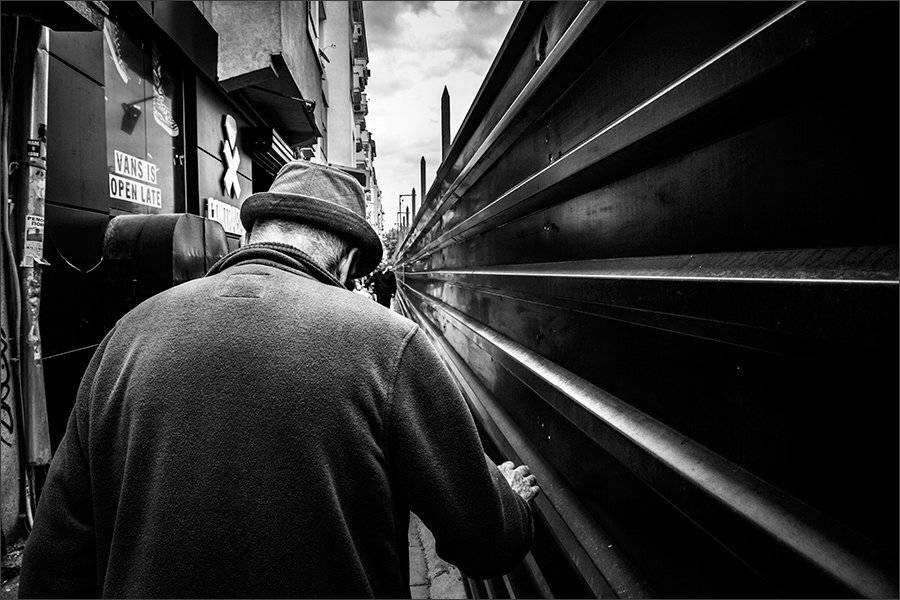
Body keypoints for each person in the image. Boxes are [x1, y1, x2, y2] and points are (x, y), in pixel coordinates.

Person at [19, 161, 538, 598]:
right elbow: (486, 541)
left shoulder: (128, 336)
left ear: (252, 235)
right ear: (351, 259)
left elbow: (55, 558)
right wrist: (509, 502)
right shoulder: (387, 345)